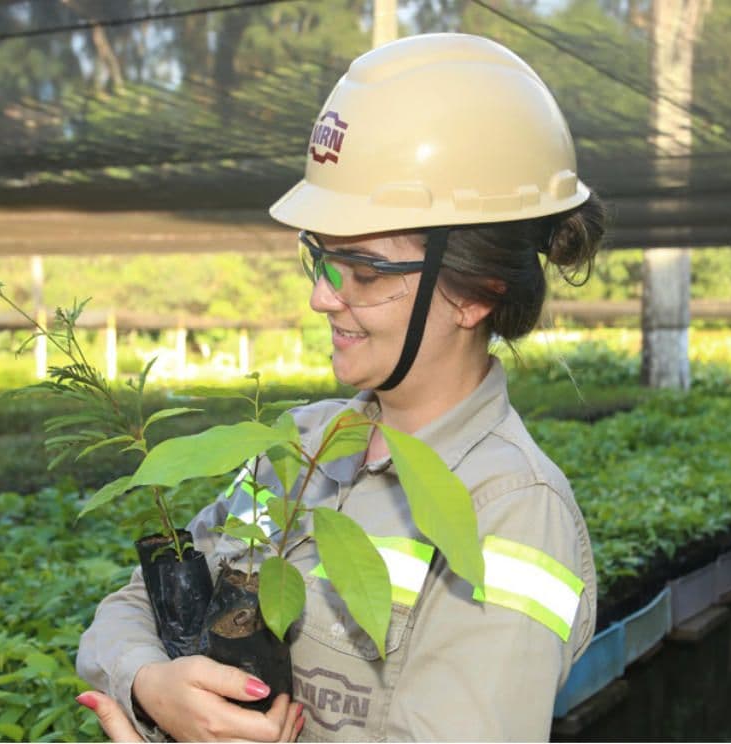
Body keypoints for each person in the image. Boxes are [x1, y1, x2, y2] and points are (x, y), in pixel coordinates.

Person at [76, 32, 604, 742]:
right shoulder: (297, 451)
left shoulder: (512, 512)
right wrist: (151, 686)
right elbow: (134, 605)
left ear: (476, 292)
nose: (323, 298)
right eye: (320, 260)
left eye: (365, 271)